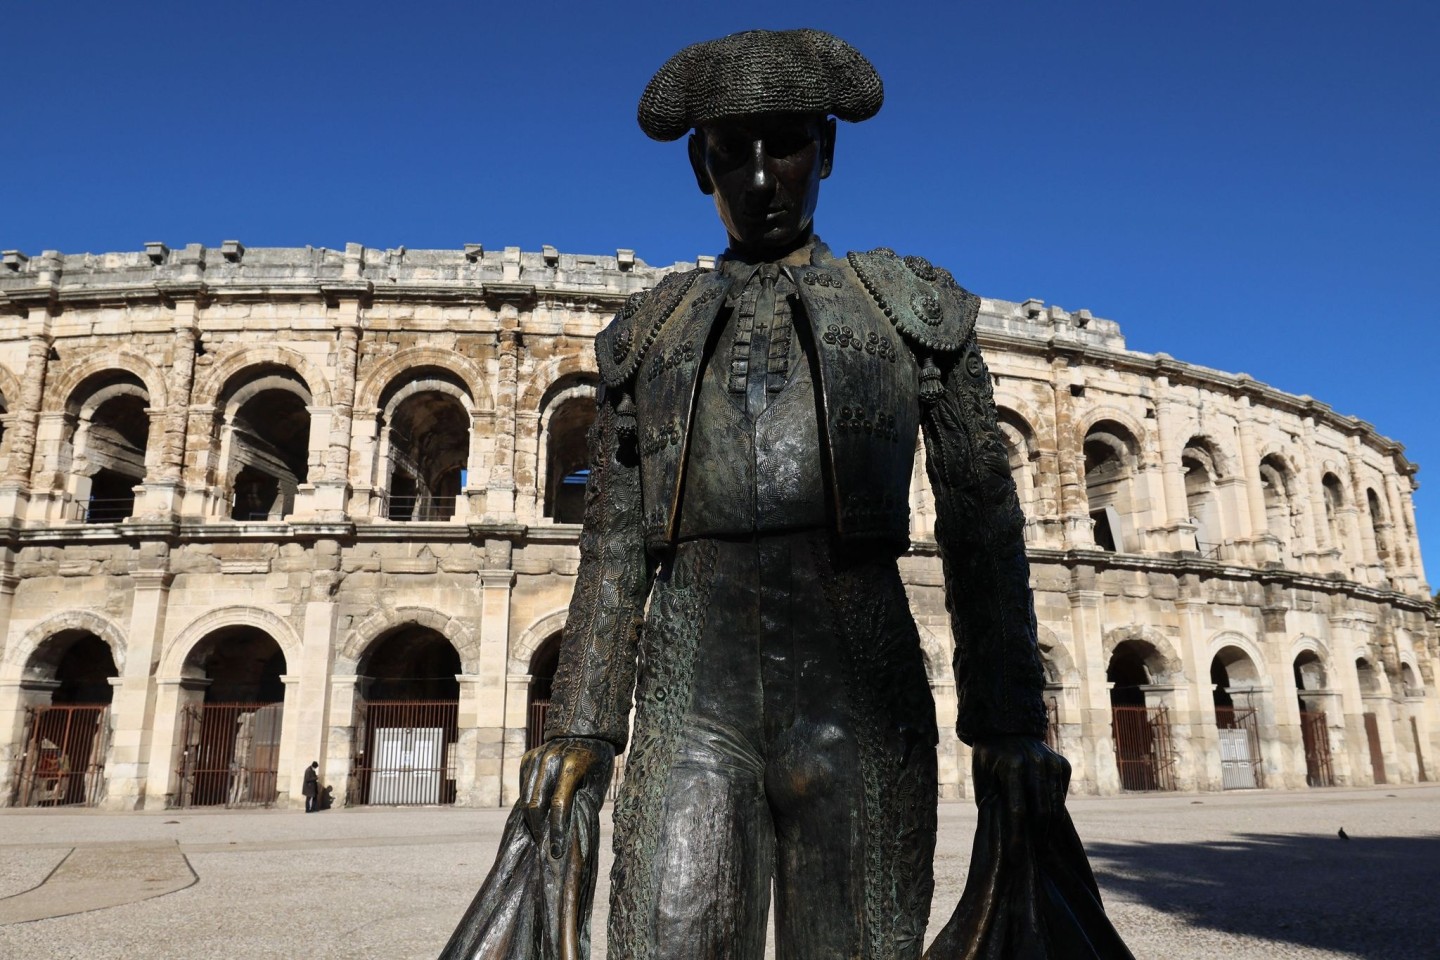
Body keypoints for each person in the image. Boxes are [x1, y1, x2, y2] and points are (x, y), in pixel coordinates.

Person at [444, 28, 1131, 960]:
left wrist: (1009, 723)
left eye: (788, 146)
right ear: (701, 166)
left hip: (859, 699)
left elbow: (980, 519)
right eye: (733, 153)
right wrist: (581, 728)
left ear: (829, 151)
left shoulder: (911, 311)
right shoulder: (650, 333)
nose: (762, 180)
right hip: (693, 694)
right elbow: (613, 544)